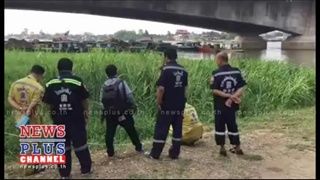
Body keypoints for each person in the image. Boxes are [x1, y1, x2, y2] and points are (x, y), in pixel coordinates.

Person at [42, 58, 92, 179]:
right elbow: (84, 100)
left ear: (58, 69)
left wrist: (53, 114)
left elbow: (48, 103)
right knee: (81, 145)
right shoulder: (77, 81)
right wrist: (86, 112)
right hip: (76, 119)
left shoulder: (50, 83)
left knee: (62, 147)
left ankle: (64, 174)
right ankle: (86, 170)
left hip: (58, 120)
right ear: (71, 68)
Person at [146, 48, 188, 159]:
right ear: (176, 56)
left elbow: (161, 89)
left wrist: (159, 102)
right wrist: (183, 103)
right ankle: (175, 153)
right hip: (179, 106)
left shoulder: (165, 69)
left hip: (167, 105)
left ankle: (155, 154)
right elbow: (185, 90)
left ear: (166, 57)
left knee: (161, 129)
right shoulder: (184, 70)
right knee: (177, 130)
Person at [7, 65, 46, 176]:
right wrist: (28, 110)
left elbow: (9, 98)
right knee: (33, 142)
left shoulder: (16, 83)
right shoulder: (38, 87)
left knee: (24, 141)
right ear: (39, 75)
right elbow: (34, 103)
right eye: (42, 76)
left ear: (31, 72)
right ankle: (30, 169)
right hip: (32, 118)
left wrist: (20, 108)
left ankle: (34, 165)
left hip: (20, 119)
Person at [100, 64, 143, 157]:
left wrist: (104, 112)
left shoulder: (104, 85)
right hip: (123, 112)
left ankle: (110, 152)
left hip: (110, 113)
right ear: (116, 72)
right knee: (131, 129)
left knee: (109, 132)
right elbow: (129, 96)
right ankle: (138, 147)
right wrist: (133, 106)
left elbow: (102, 101)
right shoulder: (121, 83)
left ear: (106, 74)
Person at [209, 51, 246, 156]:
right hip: (232, 105)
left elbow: (215, 90)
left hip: (220, 105)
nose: (216, 61)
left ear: (220, 60)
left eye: (216, 59)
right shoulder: (237, 71)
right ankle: (237, 147)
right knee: (233, 125)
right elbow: (241, 88)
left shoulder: (216, 73)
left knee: (220, 126)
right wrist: (233, 96)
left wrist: (228, 96)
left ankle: (222, 148)